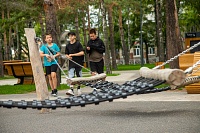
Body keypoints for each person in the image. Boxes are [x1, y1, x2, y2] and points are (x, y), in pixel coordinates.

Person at [65, 32, 84, 96]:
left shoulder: (78, 44)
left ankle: (79, 89)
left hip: (78, 62)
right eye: (69, 36)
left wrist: (73, 54)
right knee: (71, 76)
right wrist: (68, 57)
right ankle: (71, 89)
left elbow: (82, 53)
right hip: (71, 63)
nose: (70, 37)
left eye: (71, 36)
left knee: (79, 76)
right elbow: (66, 54)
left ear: (75, 36)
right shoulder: (68, 45)